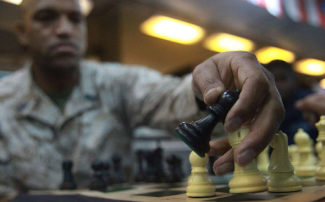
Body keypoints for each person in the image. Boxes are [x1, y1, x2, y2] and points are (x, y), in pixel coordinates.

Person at [0, 0, 284, 194]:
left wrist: (217, 87)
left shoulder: (117, 82)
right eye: (46, 17)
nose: (64, 30)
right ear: (23, 33)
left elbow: (172, 96)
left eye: (75, 19)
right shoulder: (3, 99)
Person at [264, 60, 318, 144]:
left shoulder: (311, 102)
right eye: (272, 80)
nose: (277, 85)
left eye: (282, 79)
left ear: (294, 80)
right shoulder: (259, 109)